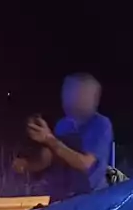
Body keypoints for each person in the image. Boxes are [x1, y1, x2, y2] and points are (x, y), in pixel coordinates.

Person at [13, 72, 114, 202]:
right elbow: (54, 157)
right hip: (62, 199)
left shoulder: (100, 124)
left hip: (90, 201)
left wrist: (49, 139)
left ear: (91, 97)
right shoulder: (63, 124)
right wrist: (28, 165)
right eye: (66, 92)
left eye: (73, 93)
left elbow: (86, 164)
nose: (66, 98)